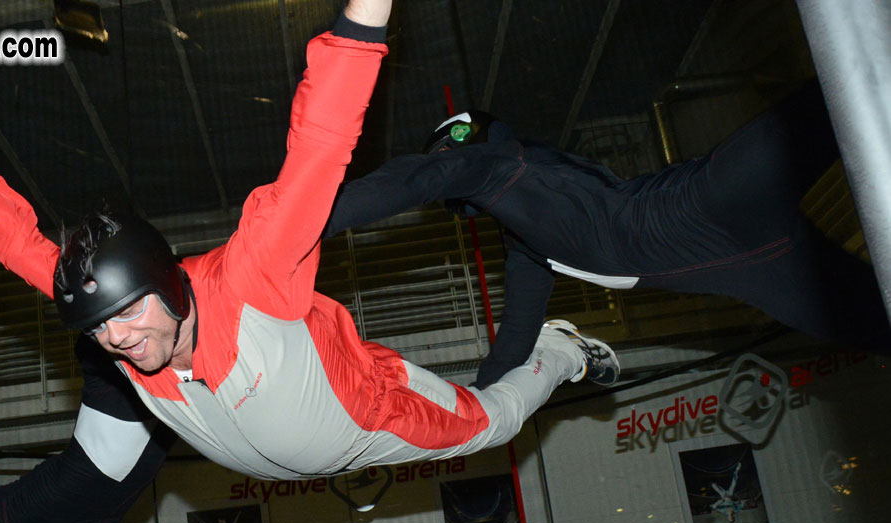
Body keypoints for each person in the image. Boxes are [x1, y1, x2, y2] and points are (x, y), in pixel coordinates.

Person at [0, 0, 614, 523]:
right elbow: (5, 231)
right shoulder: (116, 330)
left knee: (493, 421)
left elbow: (323, 130)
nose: (122, 341)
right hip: (269, 446)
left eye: (131, 316)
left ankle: (561, 349)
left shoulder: (254, 273)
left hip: (367, 417)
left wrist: (367, 13)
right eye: (103, 330)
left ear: (166, 284)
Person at [324, 80, 891, 387]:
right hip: (756, 269)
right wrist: (479, 403)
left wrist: (303, 216)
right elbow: (517, 334)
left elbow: (418, 177)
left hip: (707, 200)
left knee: (852, 83)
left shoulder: (498, 168)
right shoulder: (526, 245)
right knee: (877, 323)